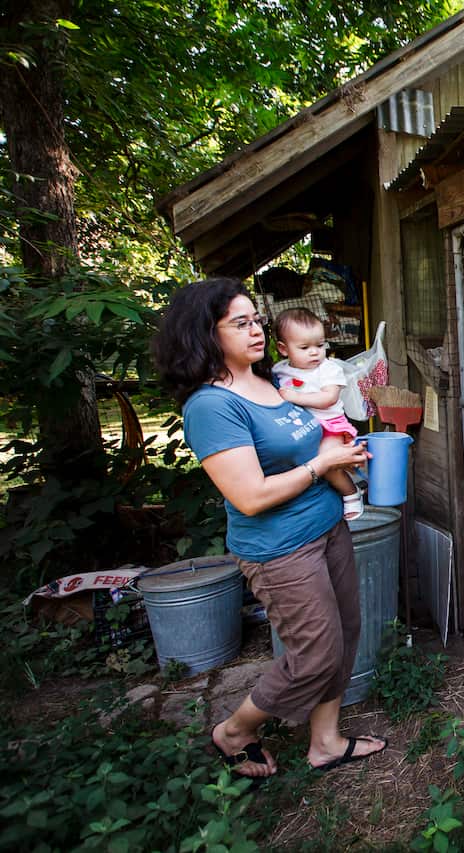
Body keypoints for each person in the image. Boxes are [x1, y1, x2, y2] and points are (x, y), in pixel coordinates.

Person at [152, 278, 387, 778]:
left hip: (326, 527)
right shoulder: (212, 407)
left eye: (255, 319)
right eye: (240, 323)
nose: (256, 330)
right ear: (204, 334)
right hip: (280, 549)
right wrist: (323, 466)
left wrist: (344, 460)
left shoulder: (268, 383)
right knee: (316, 653)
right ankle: (235, 730)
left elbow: (307, 444)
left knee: (345, 633)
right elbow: (250, 496)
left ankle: (325, 741)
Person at [271, 307, 362, 520]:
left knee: (327, 462)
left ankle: (351, 494)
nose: (314, 352)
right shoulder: (280, 370)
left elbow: (328, 398)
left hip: (329, 425)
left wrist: (294, 397)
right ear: (284, 349)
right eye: (304, 347)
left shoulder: (329, 369)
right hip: (299, 425)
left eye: (320, 345)